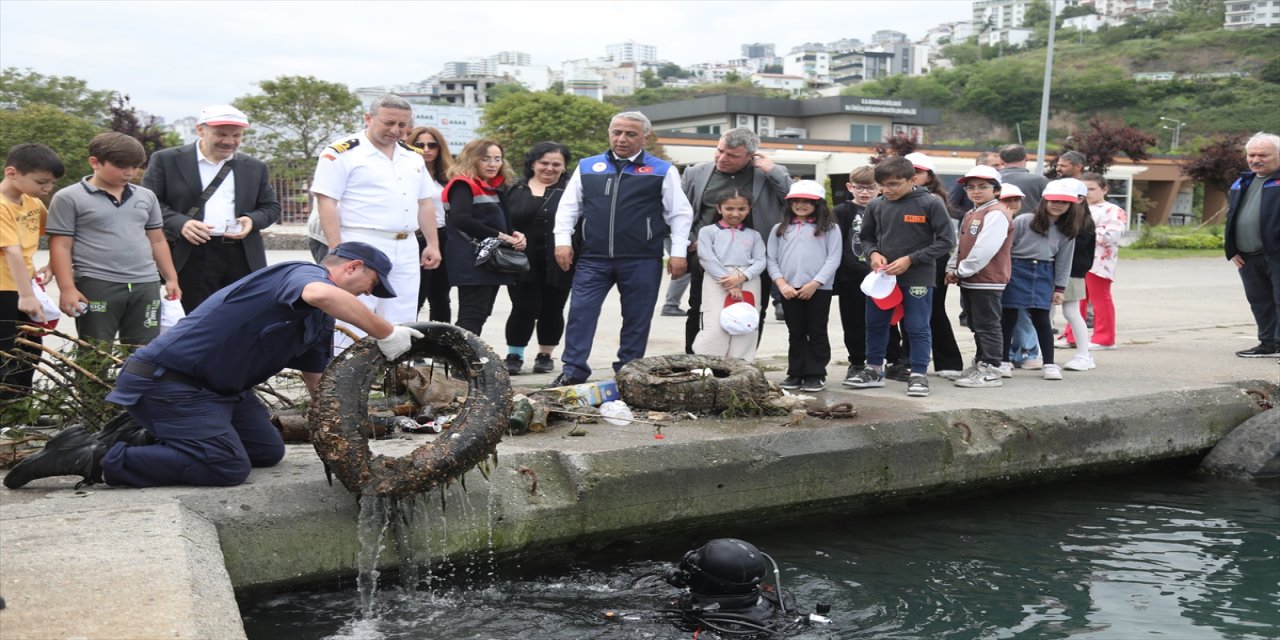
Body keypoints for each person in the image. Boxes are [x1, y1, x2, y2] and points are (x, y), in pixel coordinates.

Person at [3, 242, 421, 490]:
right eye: (370, 285)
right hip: (170, 383)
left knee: (266, 452)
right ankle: (94, 457)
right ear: (352, 267)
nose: (367, 295)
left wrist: (342, 434)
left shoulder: (319, 320)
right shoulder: (298, 274)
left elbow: (318, 382)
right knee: (225, 466)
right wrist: (386, 333)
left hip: (223, 393)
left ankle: (148, 436)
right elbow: (322, 294)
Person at [551, 111, 693, 385]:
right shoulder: (588, 167)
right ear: (609, 133)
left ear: (645, 138)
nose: (622, 139)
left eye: (630, 134)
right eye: (616, 132)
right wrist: (562, 242)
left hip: (642, 258)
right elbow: (568, 207)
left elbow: (679, 214)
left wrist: (678, 253)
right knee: (580, 313)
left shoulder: (662, 170)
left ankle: (628, 371)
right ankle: (573, 370)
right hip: (593, 257)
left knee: (637, 319)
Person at [311, 94, 441, 350]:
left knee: (403, 312)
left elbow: (425, 202)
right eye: (389, 123)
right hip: (361, 241)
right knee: (354, 311)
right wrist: (337, 249)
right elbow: (326, 202)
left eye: (403, 125)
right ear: (369, 118)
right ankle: (345, 368)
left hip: (406, 243)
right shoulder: (342, 153)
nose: (396, 130)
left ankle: (396, 368)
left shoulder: (412, 156)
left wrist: (432, 243)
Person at [47, 132, 181, 347]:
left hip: (145, 284)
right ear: (95, 162)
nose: (130, 172)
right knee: (95, 351)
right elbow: (61, 245)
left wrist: (171, 278)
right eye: (121, 166)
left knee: (144, 350)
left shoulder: (146, 196)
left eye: (136, 166)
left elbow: (157, 240)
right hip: (97, 283)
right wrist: (67, 288)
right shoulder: (68, 197)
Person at [144, 105, 281, 313]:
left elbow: (271, 207)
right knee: (197, 317)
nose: (229, 141)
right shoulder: (167, 160)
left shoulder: (255, 167)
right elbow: (149, 203)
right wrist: (181, 223)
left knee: (242, 316)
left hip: (242, 253)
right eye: (221, 134)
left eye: (236, 135)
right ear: (200, 130)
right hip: (192, 252)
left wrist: (251, 220)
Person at [846, 157, 956, 398]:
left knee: (917, 326)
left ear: (912, 179)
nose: (887, 190)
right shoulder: (876, 205)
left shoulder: (930, 203)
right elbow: (866, 237)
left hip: (918, 277)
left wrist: (911, 259)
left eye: (894, 184)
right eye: (882, 185)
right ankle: (874, 370)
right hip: (882, 278)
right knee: (875, 323)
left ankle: (918, 374)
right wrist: (873, 254)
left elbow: (947, 241)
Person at [680, 128, 790, 352]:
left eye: (732, 155)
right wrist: (690, 242)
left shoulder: (767, 174)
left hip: (755, 260)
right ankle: (695, 361)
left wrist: (773, 170)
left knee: (751, 311)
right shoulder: (696, 173)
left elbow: (796, 201)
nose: (722, 158)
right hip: (708, 259)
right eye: (720, 150)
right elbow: (680, 212)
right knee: (699, 310)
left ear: (751, 156)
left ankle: (740, 363)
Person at [0, 144, 63, 400]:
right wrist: (26, 296)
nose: (48, 189)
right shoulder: (2, 205)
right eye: (42, 182)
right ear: (12, 173)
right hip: (5, 290)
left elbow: (57, 233)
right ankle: (7, 413)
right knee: (6, 354)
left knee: (31, 351)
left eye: (52, 183)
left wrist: (53, 264)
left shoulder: (33, 203)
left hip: (26, 286)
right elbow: (12, 252)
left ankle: (22, 408)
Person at [999, 180, 1079, 381]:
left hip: (1044, 271)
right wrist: (1003, 274)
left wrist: (1060, 288)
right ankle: (1003, 361)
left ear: (1071, 205)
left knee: (1042, 318)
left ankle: (1049, 364)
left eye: (1063, 202)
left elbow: (1064, 260)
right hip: (1016, 268)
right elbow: (1005, 248)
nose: (1057, 205)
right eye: (1053, 201)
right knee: (1009, 316)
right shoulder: (1024, 220)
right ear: (1044, 201)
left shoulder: (1068, 230)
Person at [503, 142, 571, 375]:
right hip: (521, 260)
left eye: (556, 164)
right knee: (523, 307)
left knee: (553, 308)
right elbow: (502, 221)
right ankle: (515, 354)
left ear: (564, 167)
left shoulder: (571, 191)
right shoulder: (513, 189)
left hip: (560, 259)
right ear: (532, 164)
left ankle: (545, 355)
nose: (549, 168)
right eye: (544, 163)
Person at [443, 139, 523, 337]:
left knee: (480, 313)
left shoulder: (492, 186)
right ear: (472, 159)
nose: (493, 164)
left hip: (489, 259)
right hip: (472, 259)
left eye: (497, 159)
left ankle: (467, 353)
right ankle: (460, 355)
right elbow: (460, 220)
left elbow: (495, 221)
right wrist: (502, 236)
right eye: (485, 159)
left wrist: (515, 233)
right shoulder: (463, 184)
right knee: (472, 314)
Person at [768, 180, 841, 391]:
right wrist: (782, 284)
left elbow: (833, 258)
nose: (800, 205)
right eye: (796, 201)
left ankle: (815, 373)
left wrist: (815, 283)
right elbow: (771, 259)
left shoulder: (830, 228)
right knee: (796, 331)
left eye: (807, 201)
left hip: (818, 289)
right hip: (788, 289)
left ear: (818, 204)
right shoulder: (779, 229)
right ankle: (796, 372)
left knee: (817, 330)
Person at [946, 165, 1013, 389]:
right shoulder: (971, 213)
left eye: (983, 186)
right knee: (976, 325)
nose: (976, 191)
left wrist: (961, 271)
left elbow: (985, 248)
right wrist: (952, 267)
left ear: (996, 190)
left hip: (988, 279)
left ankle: (991, 369)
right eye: (971, 187)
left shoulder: (996, 213)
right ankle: (981, 363)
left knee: (988, 326)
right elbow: (961, 246)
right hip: (972, 279)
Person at [903, 151, 965, 379]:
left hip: (931, 260)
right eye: (907, 172)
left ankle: (948, 361)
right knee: (909, 313)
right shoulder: (897, 198)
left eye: (917, 172)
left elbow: (945, 239)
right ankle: (908, 360)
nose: (912, 176)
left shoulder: (933, 199)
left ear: (929, 177)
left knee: (932, 311)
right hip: (906, 260)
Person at [1223, 132, 1280, 358]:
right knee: (1259, 301)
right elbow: (1232, 216)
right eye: (1251, 155)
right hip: (1247, 255)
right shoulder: (1242, 182)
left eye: (1263, 155)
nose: (1255, 159)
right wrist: (1232, 249)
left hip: (1275, 254)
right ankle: (1268, 344)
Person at [692, 190, 766, 361]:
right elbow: (706, 258)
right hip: (717, 279)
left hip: (749, 280)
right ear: (719, 208)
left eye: (741, 209)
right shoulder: (707, 232)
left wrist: (743, 277)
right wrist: (730, 283)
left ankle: (741, 363)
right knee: (714, 322)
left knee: (745, 321)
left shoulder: (754, 235)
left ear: (749, 209)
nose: (735, 213)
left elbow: (761, 260)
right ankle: (708, 364)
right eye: (729, 208)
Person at [1062, 172, 1127, 353]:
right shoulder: (1076, 207)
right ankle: (1072, 336)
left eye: (1092, 189)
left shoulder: (1113, 210)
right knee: (1076, 299)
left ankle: (1105, 338)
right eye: (1084, 189)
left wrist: (1083, 232)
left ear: (1104, 189)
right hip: (1078, 260)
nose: (1087, 193)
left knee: (1100, 299)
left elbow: (1111, 236)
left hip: (1099, 262)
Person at [834, 166, 886, 385]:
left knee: (883, 322)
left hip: (881, 276)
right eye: (860, 187)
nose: (865, 192)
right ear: (850, 187)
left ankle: (885, 361)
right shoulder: (841, 211)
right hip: (851, 276)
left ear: (880, 188)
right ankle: (856, 362)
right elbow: (835, 243)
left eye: (870, 188)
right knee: (853, 322)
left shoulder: (886, 208)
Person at [994, 184, 1044, 377]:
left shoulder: (1023, 221)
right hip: (998, 274)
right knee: (1002, 316)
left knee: (1022, 313)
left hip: (1019, 274)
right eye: (1007, 199)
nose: (1013, 203)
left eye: (1016, 199)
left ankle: (1027, 351)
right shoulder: (995, 219)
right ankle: (1004, 353)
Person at [406, 126, 454, 323]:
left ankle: (440, 339)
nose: (426, 149)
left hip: (444, 236)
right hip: (416, 236)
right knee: (415, 296)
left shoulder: (450, 176)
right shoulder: (406, 172)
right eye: (420, 145)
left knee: (441, 297)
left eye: (432, 145)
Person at [1054, 180, 1097, 371]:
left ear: (1080, 199)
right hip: (1054, 270)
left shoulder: (1082, 222)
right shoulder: (1063, 218)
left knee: (1071, 312)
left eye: (1064, 199)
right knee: (1046, 313)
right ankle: (1039, 353)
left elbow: (1072, 249)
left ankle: (1084, 355)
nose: (1058, 203)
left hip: (1072, 272)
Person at [998, 144, 1050, 214]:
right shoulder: (1041, 180)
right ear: (1027, 157)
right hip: (1031, 220)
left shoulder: (992, 179)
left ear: (1001, 160)